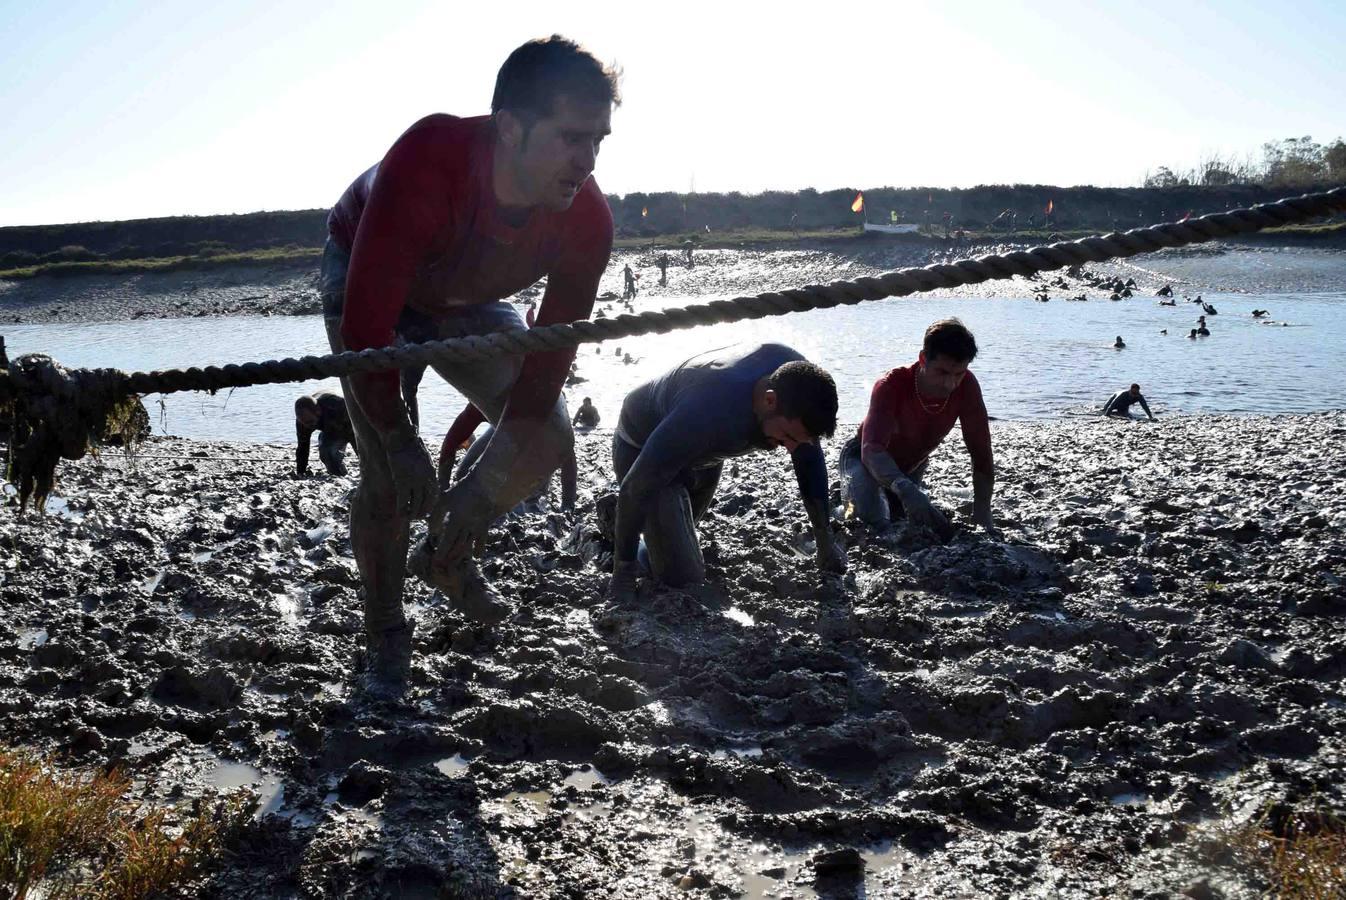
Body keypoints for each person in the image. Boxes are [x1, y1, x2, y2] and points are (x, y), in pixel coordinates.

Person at [320, 36, 619, 686]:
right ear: (510, 128)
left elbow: (545, 373)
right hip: (368, 274)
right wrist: (398, 440)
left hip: (468, 294)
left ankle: (448, 555)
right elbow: (368, 327)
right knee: (390, 478)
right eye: (571, 138)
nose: (587, 160)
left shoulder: (588, 221)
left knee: (548, 441)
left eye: (599, 140)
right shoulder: (429, 161)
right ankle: (385, 624)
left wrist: (480, 497)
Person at [607, 344, 844, 600]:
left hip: (706, 456)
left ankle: (634, 528)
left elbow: (808, 457)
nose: (790, 450)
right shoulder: (707, 408)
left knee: (676, 543)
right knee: (681, 578)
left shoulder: (798, 384)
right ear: (769, 400)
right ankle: (618, 530)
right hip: (641, 447)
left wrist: (824, 540)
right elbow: (636, 487)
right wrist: (623, 575)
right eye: (785, 437)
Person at [840, 318, 994, 537]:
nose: (950, 384)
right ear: (923, 359)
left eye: (958, 374)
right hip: (863, 460)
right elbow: (871, 449)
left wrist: (982, 510)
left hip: (912, 466)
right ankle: (845, 498)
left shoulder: (967, 386)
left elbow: (981, 452)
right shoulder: (891, 385)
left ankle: (893, 495)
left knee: (907, 519)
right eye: (941, 373)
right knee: (873, 521)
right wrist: (904, 487)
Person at [295, 391, 356, 476]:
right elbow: (303, 447)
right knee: (326, 453)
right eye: (304, 423)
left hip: (350, 424)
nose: (307, 427)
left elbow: (355, 436)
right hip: (329, 430)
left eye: (310, 422)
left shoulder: (337, 405)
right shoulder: (302, 422)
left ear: (318, 411)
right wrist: (300, 472)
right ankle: (339, 474)